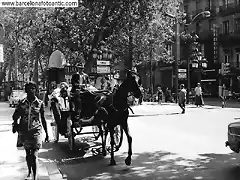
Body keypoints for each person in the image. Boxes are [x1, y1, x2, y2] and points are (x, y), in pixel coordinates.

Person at [12, 81, 49, 180]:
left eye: (33, 88)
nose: (31, 90)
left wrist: (47, 133)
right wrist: (15, 124)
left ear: (36, 90)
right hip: (24, 132)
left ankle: (35, 176)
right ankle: (29, 172)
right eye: (29, 89)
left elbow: (43, 119)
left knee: (34, 154)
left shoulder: (40, 103)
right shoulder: (22, 103)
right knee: (28, 154)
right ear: (26, 91)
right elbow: (15, 116)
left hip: (36, 131)